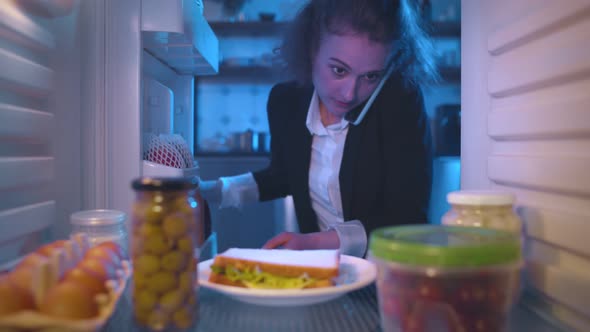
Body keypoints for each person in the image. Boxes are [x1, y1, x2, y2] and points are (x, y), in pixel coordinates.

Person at [200, 0, 437, 257]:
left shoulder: (400, 101)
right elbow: (283, 175)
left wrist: (313, 243)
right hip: (321, 275)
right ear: (311, 49)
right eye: (338, 70)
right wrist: (212, 191)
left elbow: (408, 218)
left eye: (370, 76)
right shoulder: (286, 102)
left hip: (384, 275)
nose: (350, 93)